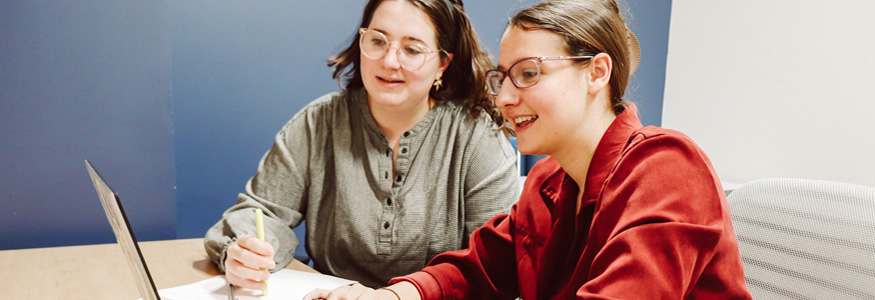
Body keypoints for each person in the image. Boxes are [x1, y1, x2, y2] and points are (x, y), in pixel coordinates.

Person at [303, 0, 753, 299]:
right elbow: (479, 268)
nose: (503, 98)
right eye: (502, 77)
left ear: (597, 73)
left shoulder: (667, 168)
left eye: (530, 74)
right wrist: (394, 296)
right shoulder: (548, 181)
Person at [204, 0, 519, 289]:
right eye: (378, 41)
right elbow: (262, 213)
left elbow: (496, 261)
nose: (389, 61)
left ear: (442, 64)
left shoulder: (477, 137)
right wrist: (246, 252)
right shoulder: (318, 122)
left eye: (412, 49)